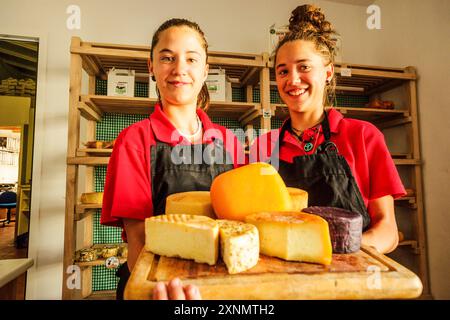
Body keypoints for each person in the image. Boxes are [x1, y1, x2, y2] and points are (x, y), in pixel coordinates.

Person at [101, 18, 245, 300]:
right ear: (151, 67)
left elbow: (239, 225)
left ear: (205, 70)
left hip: (222, 286)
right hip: (162, 288)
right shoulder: (134, 140)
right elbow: (139, 239)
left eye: (191, 59)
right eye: (167, 58)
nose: (180, 69)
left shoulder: (229, 141)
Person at [250, 4, 406, 254]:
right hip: (286, 280)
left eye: (304, 67)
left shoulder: (364, 136)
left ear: (328, 72)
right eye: (283, 71)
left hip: (351, 278)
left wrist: (336, 252)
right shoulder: (263, 147)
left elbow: (387, 230)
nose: (292, 80)